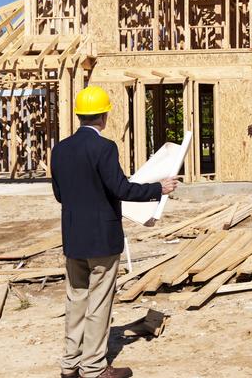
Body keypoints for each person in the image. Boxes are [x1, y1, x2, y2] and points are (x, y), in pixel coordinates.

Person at [51, 86, 179, 378]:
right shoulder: (104, 148)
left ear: (80, 115)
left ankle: (70, 364)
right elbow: (120, 188)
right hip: (102, 242)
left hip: (73, 239)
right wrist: (159, 189)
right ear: (104, 116)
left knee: (76, 300)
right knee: (98, 303)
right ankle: (94, 368)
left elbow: (61, 195)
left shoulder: (61, 149)